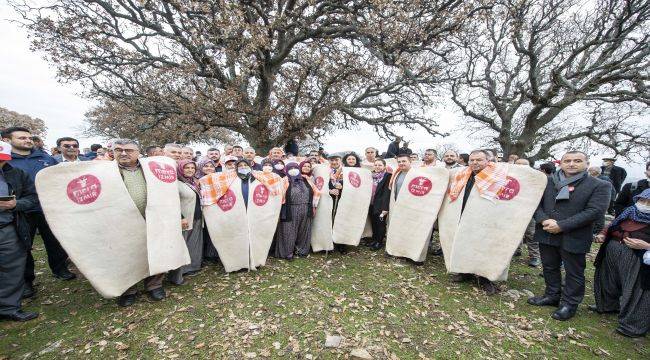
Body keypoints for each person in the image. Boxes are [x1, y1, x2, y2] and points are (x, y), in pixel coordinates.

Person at [528, 151, 611, 321]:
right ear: (561, 163)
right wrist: (543, 220)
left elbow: (594, 211)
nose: (571, 164)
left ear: (586, 164)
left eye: (577, 161)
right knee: (549, 267)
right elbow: (535, 203)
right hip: (547, 231)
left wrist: (561, 226)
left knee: (574, 271)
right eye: (567, 161)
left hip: (575, 235)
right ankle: (552, 295)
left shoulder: (599, 185)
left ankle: (569, 304)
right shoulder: (548, 181)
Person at [2, 127, 75, 298]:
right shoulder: (6, 161)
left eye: (29, 138)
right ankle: (27, 281)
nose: (28, 140)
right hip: (20, 211)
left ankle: (60, 268)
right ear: (7, 140)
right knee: (22, 247)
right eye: (22, 138)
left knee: (54, 241)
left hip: (48, 208)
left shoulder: (45, 158)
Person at [114, 139, 167, 306]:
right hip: (120, 221)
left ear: (138, 152)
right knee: (126, 255)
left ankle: (154, 285)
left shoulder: (150, 168)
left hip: (152, 217)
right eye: (119, 150)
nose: (123, 153)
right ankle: (129, 289)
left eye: (128, 150)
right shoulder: (106, 171)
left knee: (155, 251)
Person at [591, 188, 650, 338]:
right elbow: (612, 224)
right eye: (642, 200)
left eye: (649, 202)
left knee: (635, 290)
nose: (644, 204)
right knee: (608, 280)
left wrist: (646, 246)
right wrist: (603, 234)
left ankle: (632, 326)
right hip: (613, 250)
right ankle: (607, 306)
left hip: (638, 258)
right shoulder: (629, 211)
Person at [0, 141, 39, 322]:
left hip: (8, 227)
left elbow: (32, 197)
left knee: (13, 269)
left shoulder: (17, 174)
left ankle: (9, 307)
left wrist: (16, 204)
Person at [168, 160, 203, 285]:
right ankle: (176, 276)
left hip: (197, 217)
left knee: (193, 245)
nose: (190, 170)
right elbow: (173, 203)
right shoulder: (176, 183)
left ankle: (190, 269)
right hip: (184, 219)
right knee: (181, 247)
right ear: (181, 169)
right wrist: (180, 217)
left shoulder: (193, 182)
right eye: (187, 168)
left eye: (192, 168)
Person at [275, 161, 319, 259]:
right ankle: (287, 252)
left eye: (295, 168)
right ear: (286, 170)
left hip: (306, 208)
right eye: (290, 168)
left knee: (304, 230)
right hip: (290, 209)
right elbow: (279, 193)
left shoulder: (306, 179)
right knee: (288, 231)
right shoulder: (284, 180)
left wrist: (314, 205)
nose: (293, 170)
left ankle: (301, 250)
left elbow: (316, 191)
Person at [513, 158, 541, 267]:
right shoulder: (510, 176)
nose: (520, 166)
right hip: (513, 210)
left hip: (530, 211)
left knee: (531, 234)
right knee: (514, 232)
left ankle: (534, 256)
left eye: (523, 165)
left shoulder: (535, 178)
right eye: (517, 164)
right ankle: (516, 250)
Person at [368, 159, 391, 250]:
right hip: (371, 203)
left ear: (384, 166)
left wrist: (385, 208)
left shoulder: (388, 176)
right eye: (376, 165)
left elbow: (387, 192)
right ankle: (374, 239)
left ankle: (379, 242)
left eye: (380, 165)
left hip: (381, 204)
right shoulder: (371, 176)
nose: (377, 167)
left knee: (380, 223)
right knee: (373, 222)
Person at [588, 166, 616, 234]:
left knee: (600, 213)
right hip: (603, 198)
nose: (588, 172)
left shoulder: (603, 179)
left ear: (595, 172)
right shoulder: (597, 178)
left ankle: (597, 230)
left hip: (605, 198)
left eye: (590, 171)